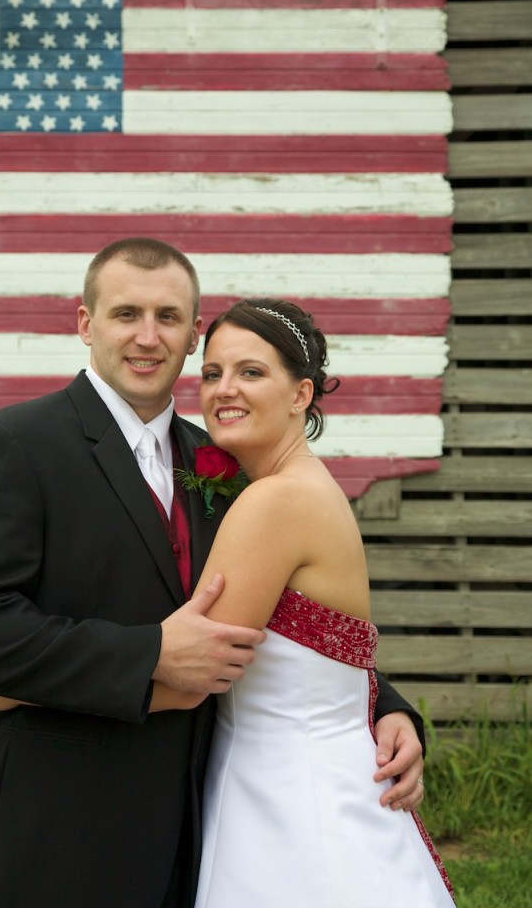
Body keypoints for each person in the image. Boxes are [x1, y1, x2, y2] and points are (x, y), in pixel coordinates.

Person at [0, 238, 426, 908]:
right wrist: (150, 655)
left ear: (192, 334)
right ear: (85, 323)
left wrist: (384, 708)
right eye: (125, 313)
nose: (146, 336)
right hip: (52, 823)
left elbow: (285, 614)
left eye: (167, 317)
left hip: (190, 823)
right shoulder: (15, 445)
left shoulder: (222, 458)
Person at [171, 299, 452, 907]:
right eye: (212, 372)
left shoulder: (275, 501)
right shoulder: (306, 487)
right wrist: (390, 708)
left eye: (251, 372)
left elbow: (194, 667)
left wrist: (19, 681)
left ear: (301, 394)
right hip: (311, 781)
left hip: (290, 807)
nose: (224, 389)